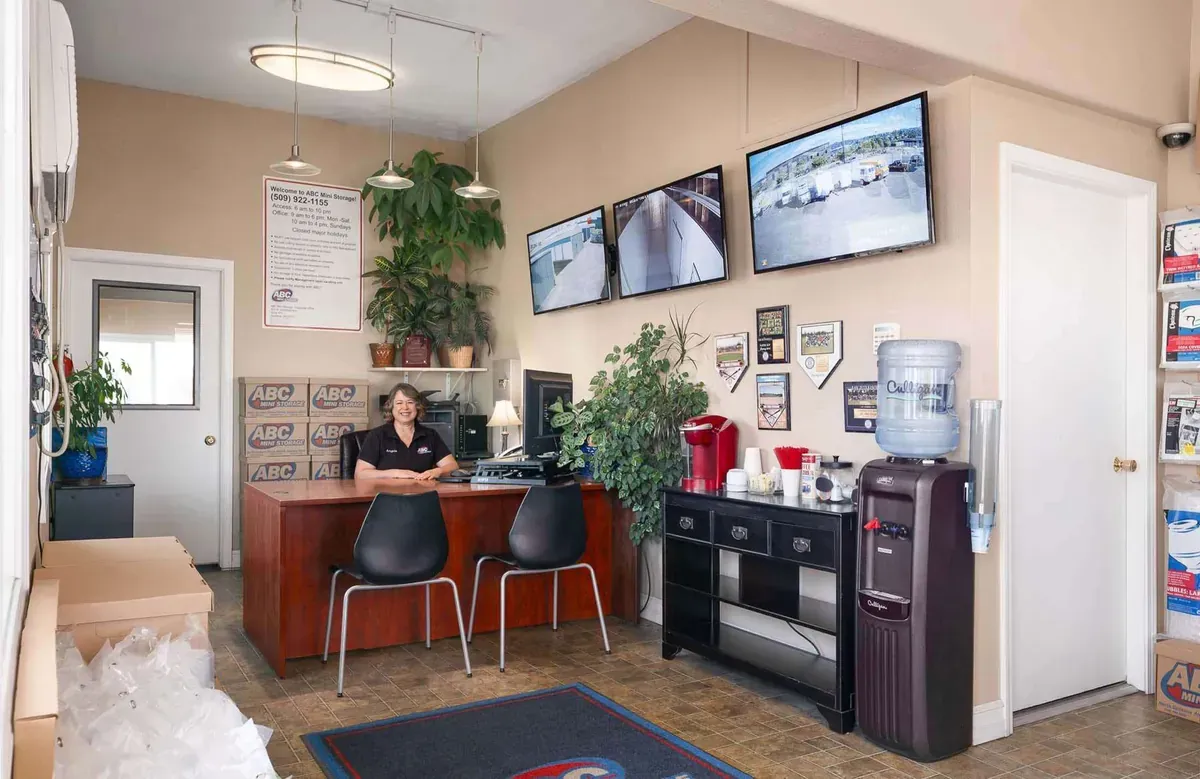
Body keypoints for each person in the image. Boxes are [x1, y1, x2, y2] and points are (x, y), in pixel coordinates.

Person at [355, 383, 458, 480]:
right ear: (391, 407)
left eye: (410, 402)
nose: (405, 407)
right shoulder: (377, 436)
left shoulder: (430, 435)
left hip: (422, 495)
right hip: (387, 496)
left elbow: (452, 466)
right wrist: (396, 474)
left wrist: (437, 472)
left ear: (417, 407)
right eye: (399, 403)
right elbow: (360, 474)